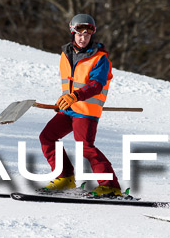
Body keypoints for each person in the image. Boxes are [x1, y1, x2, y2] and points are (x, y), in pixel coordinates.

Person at [38, 13, 123, 197]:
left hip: (86, 110)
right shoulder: (66, 53)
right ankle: (65, 178)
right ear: (72, 32)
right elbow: (70, 83)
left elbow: (95, 85)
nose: (83, 38)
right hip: (69, 109)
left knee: (84, 146)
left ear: (92, 34)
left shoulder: (100, 59)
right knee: (47, 137)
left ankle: (110, 186)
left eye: (87, 34)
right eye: (79, 34)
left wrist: (75, 96)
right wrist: (63, 101)